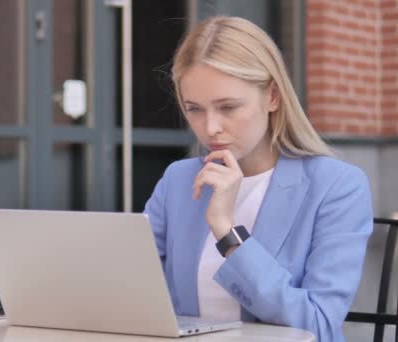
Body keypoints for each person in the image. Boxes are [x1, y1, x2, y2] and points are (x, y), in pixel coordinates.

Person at [144, 16, 373, 342]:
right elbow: (130, 286)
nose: (210, 128)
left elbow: (318, 325)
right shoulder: (179, 181)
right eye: (194, 108)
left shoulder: (336, 186)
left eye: (228, 107)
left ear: (273, 97)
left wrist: (227, 232)